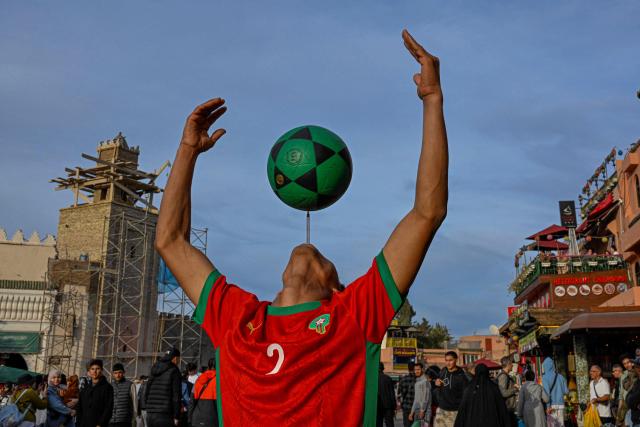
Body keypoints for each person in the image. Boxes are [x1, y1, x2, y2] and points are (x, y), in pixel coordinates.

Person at [154, 30, 448, 427]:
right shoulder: (240, 320)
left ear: (336, 288)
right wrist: (187, 150)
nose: (314, 254)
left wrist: (432, 101)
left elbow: (427, 212)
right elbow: (169, 241)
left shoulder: (353, 317)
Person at [144, 348, 181, 427]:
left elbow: (147, 388)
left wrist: (146, 407)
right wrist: (176, 416)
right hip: (165, 414)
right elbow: (176, 395)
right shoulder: (174, 370)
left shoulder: (154, 367)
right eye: (178, 359)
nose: (178, 361)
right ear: (175, 358)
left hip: (150, 414)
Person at [434, 351, 469, 427]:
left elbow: (466, 396)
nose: (448, 363)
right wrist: (437, 383)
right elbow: (438, 381)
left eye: (450, 360)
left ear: (456, 360)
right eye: (446, 360)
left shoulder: (462, 376)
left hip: (454, 412)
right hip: (441, 410)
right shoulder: (443, 371)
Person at [77, 359, 113, 427]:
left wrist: (100, 424)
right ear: (89, 371)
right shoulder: (86, 388)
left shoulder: (107, 387)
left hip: (99, 424)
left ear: (101, 370)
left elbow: (108, 408)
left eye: (97, 368)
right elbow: (80, 408)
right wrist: (79, 423)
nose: (95, 371)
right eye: (92, 369)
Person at [188, 358, 218, 427]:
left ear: (208, 366)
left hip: (196, 420)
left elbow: (191, 403)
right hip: (212, 421)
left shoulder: (199, 379)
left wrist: (189, 419)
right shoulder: (220, 381)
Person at [541, 358, 568, 427]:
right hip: (561, 405)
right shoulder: (561, 377)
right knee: (561, 425)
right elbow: (566, 391)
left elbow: (547, 394)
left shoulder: (544, 377)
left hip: (551, 406)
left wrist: (548, 406)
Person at [110, 363, 138, 427]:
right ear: (113, 374)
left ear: (123, 373)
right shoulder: (110, 386)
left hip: (124, 421)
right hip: (111, 421)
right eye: (115, 373)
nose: (118, 375)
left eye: (120, 372)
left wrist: (134, 419)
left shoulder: (130, 385)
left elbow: (135, 404)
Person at [496, 356, 519, 427]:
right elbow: (503, 393)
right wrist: (515, 389)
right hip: (507, 409)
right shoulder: (503, 376)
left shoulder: (506, 375)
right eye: (511, 363)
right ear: (508, 364)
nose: (512, 365)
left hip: (509, 409)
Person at [620, 355, 639, 425]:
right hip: (630, 405)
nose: (627, 365)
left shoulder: (637, 372)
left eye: (628, 362)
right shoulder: (624, 375)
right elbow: (625, 387)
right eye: (624, 364)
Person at [398, 362, 418, 427]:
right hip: (416, 408)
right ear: (414, 369)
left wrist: (401, 403)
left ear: (408, 369)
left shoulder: (403, 379)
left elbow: (399, 394)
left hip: (406, 407)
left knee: (407, 425)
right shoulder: (418, 379)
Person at [377, 362, 396, 427]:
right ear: (383, 369)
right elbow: (392, 393)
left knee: (378, 423)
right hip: (388, 406)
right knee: (389, 424)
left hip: (377, 405)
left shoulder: (373, 379)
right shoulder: (388, 378)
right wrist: (394, 407)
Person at [625, 362, 640, 427]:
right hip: (635, 420)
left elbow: (631, 399)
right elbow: (628, 399)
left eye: (635, 367)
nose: (634, 369)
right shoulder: (637, 382)